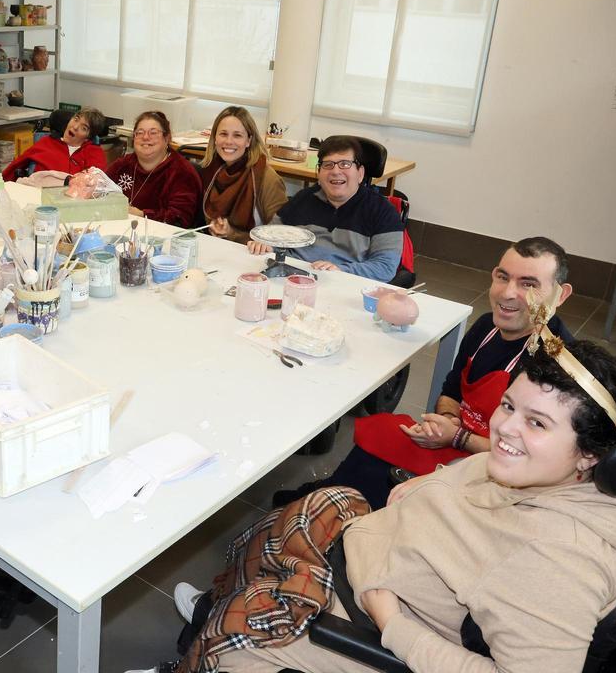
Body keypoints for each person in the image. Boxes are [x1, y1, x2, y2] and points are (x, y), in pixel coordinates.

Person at [143, 340, 616, 673]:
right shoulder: (547, 473)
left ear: (592, 454)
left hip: (367, 619)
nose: (505, 429)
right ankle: (211, 612)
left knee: (241, 640)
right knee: (316, 505)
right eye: (508, 406)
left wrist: (392, 625)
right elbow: (479, 493)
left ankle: (205, 647)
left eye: (537, 424)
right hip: (375, 553)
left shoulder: (559, 561)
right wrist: (432, 487)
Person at [272, 237, 574, 510]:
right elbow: (453, 387)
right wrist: (447, 418)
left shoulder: (556, 363)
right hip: (460, 434)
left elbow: (526, 453)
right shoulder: (486, 327)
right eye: (503, 277)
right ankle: (327, 495)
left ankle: (342, 515)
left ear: (560, 296)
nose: (508, 293)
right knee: (381, 431)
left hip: (496, 468)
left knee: (381, 474)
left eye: (529, 284)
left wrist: (456, 437)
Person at [247, 136, 402, 282]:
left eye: (345, 164)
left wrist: (341, 270)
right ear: (318, 173)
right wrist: (265, 245)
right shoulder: (303, 199)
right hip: (292, 277)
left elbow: (385, 267)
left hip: (343, 283)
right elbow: (272, 233)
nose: (335, 171)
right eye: (328, 165)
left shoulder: (382, 211)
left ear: (360, 173)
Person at [196, 106, 287, 244]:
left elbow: (280, 237)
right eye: (223, 134)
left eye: (237, 135)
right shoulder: (211, 170)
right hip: (217, 247)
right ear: (214, 137)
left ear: (249, 141)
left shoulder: (266, 178)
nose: (229, 141)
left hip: (254, 255)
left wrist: (232, 234)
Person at [106, 111, 202, 228]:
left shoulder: (182, 172)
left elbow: (180, 219)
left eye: (153, 133)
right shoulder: (123, 164)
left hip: (163, 238)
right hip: (121, 230)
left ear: (167, 138)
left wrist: (142, 215)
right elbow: (100, 188)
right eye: (140, 133)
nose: (146, 137)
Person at [1, 107, 108, 182]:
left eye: (83, 128)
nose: (75, 127)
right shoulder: (45, 143)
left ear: (88, 137)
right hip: (39, 197)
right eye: (75, 120)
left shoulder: (94, 152)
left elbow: (97, 182)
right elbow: (13, 168)